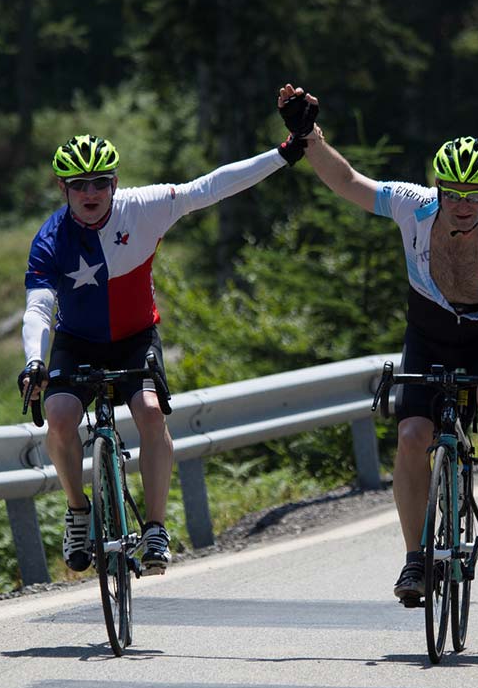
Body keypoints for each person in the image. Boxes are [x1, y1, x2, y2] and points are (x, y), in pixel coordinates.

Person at [276, 84, 478, 604]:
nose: (463, 205)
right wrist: (310, 136)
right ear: (438, 187)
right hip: (430, 333)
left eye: (475, 193)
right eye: (454, 193)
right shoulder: (412, 207)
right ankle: (415, 558)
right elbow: (347, 181)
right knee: (414, 434)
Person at [19, 124, 312, 574]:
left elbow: (211, 187)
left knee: (151, 412)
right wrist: (34, 362)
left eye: (101, 182)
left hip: (136, 337)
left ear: (115, 183)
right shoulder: (50, 239)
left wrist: (284, 153)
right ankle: (78, 511)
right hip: (77, 341)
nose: (91, 192)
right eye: (79, 185)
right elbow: (38, 309)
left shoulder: (144, 208)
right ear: (63, 188)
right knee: (58, 417)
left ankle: (155, 526)